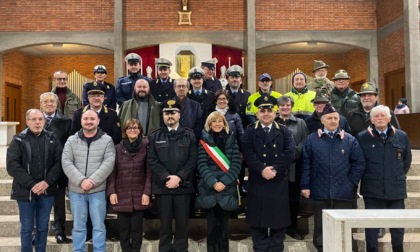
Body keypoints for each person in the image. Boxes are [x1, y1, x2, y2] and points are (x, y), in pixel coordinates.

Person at [300, 103, 365, 252]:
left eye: (336, 118)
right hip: (319, 190)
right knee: (320, 226)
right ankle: (322, 248)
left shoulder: (349, 140)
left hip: (344, 192)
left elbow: (359, 163)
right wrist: (305, 185)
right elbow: (306, 164)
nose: (333, 121)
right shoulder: (311, 139)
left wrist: (351, 184)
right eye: (329, 118)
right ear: (322, 120)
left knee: (346, 226)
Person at [242, 95, 296, 251]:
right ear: (257, 113)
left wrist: (274, 169)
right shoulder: (250, 131)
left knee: (278, 225)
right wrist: (262, 169)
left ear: (275, 112)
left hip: (277, 182)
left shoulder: (284, 131)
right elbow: (248, 153)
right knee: (257, 226)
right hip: (258, 181)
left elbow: (290, 153)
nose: (266, 113)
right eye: (262, 110)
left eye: (269, 110)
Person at [356, 105, 412, 252]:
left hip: (396, 189)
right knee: (372, 227)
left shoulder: (401, 135)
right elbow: (359, 162)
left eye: (382, 115)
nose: (379, 118)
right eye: (376, 116)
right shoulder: (362, 137)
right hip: (372, 189)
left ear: (389, 118)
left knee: (398, 227)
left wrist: (397, 175)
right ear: (371, 120)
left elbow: (406, 160)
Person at [6, 109, 62, 252]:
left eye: (40, 119)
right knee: (26, 227)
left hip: (47, 190)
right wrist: (32, 184)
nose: (37, 122)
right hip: (25, 191)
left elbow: (59, 162)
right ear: (27, 122)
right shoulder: (18, 139)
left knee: (43, 227)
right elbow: (12, 166)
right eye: (34, 119)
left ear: (44, 121)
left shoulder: (52, 138)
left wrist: (46, 182)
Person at [62, 109, 116, 252]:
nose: (89, 121)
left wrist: (91, 181)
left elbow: (109, 162)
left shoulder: (107, 140)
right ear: (81, 121)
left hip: (97, 190)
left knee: (99, 226)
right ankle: (78, 250)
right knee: (78, 226)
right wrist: (81, 181)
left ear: (98, 121)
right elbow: (66, 162)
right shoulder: (71, 140)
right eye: (86, 119)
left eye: (92, 119)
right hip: (76, 191)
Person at [148, 99, 198, 252]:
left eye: (173, 112)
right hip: (163, 187)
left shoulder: (189, 135)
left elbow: (193, 159)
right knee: (164, 225)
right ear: (162, 115)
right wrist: (166, 177)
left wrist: (179, 177)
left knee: (182, 225)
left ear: (179, 114)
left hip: (184, 186)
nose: (170, 116)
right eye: (166, 113)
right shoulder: (155, 135)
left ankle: (181, 249)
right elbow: (152, 160)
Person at [196, 111, 241, 252]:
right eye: (214, 121)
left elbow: (236, 165)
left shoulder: (231, 140)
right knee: (211, 229)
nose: (217, 124)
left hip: (227, 189)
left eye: (220, 121)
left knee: (224, 229)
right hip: (209, 189)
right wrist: (214, 182)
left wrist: (224, 182)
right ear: (209, 124)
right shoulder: (203, 142)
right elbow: (201, 165)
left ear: (224, 123)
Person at [107, 119, 152, 252]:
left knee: (137, 230)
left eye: (135, 128)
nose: (132, 130)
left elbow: (149, 172)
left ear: (140, 131)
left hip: (139, 194)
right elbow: (112, 172)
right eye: (129, 128)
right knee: (124, 230)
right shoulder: (117, 148)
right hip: (121, 193)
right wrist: (112, 192)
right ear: (125, 131)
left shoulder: (147, 147)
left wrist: (147, 192)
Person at [40, 92, 73, 243]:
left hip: (58, 168)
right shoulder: (35, 119)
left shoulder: (66, 121)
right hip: (38, 169)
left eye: (52, 102)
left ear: (57, 104)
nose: (49, 104)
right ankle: (38, 232)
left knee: (59, 203)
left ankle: (59, 231)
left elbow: (69, 145)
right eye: (45, 102)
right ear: (41, 104)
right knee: (38, 203)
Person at [276, 95, 309, 240]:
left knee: (292, 200)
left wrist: (294, 151)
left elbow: (305, 141)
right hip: (276, 168)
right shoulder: (273, 121)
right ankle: (278, 228)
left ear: (291, 107)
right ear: (278, 107)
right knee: (277, 201)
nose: (285, 108)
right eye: (282, 105)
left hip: (294, 167)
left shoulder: (300, 123)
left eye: (287, 105)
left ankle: (292, 227)